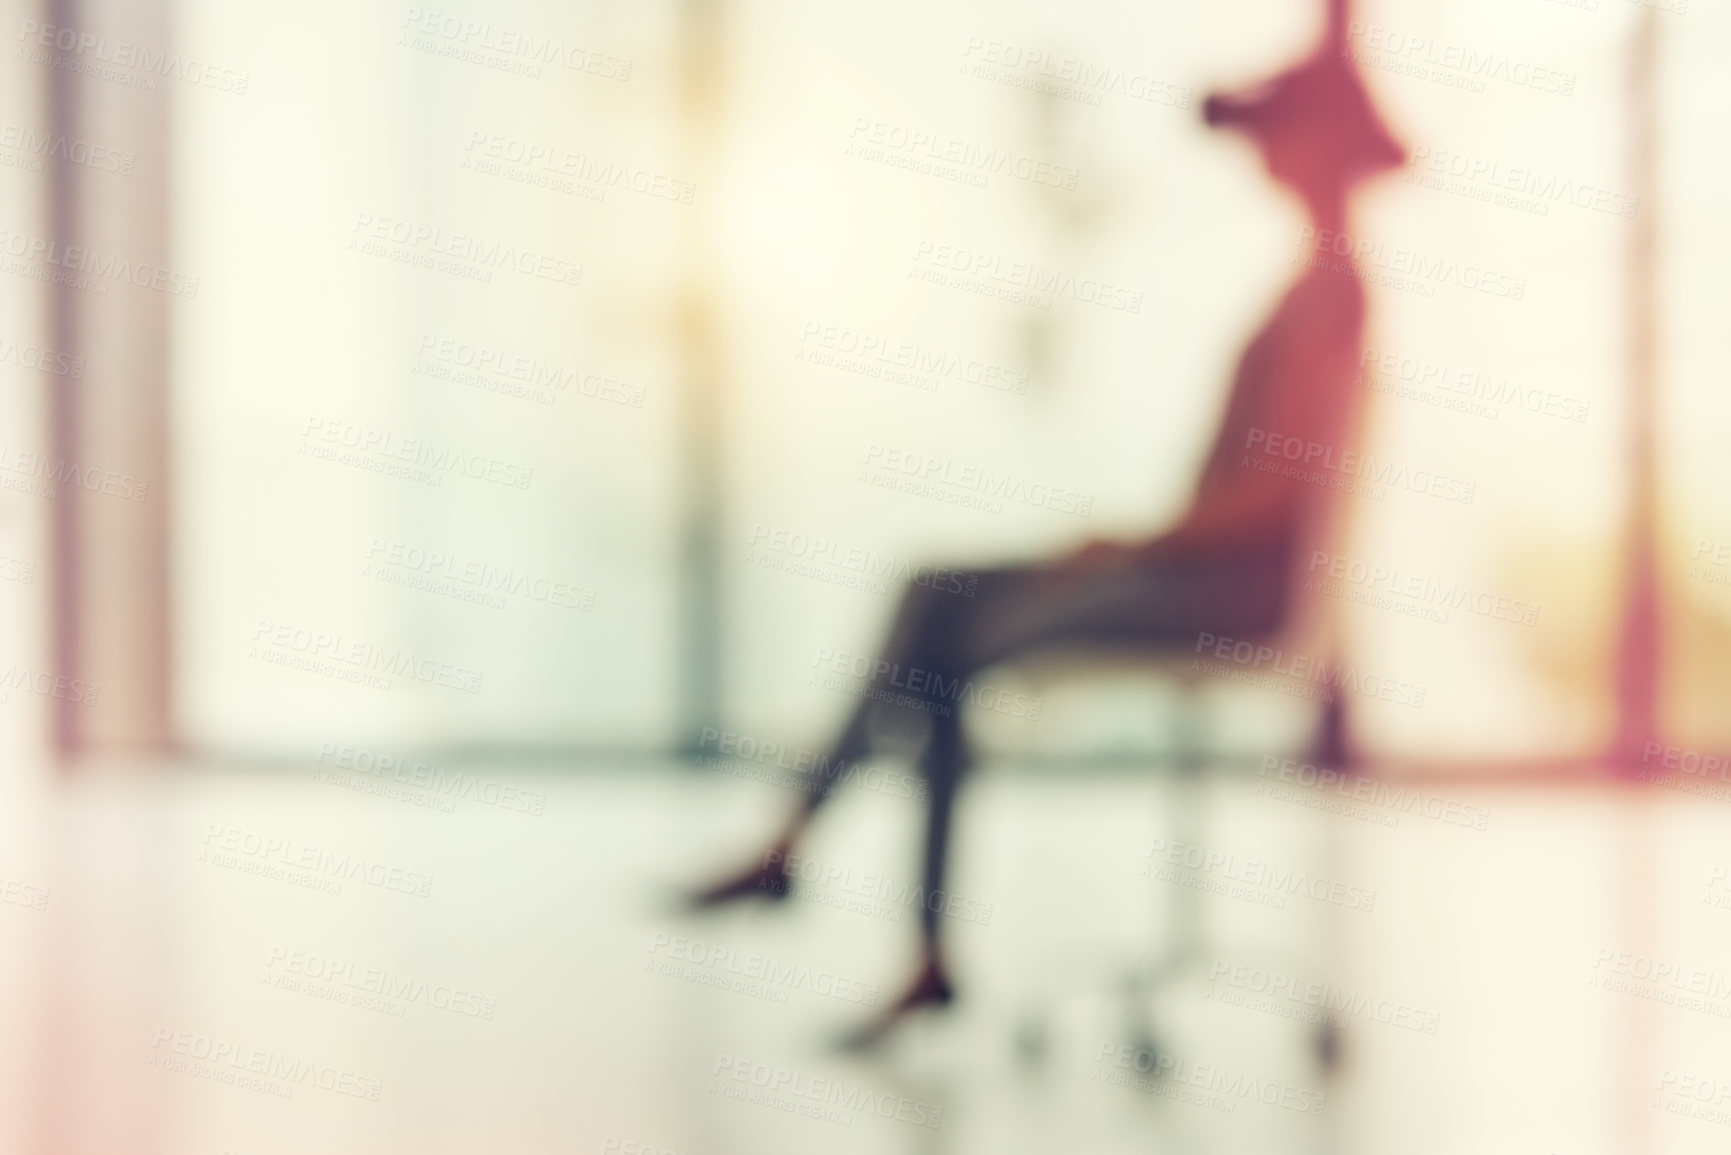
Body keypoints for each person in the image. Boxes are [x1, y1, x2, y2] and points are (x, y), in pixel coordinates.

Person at [691, 0, 1405, 1048]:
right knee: (932, 590)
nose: (1259, 157)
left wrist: (1130, 543)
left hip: (1224, 593)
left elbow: (1272, 499)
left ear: (1317, 147)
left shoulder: (1333, 297)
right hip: (1195, 568)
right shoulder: (1316, 286)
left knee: (945, 635)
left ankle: (841, 882)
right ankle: (818, 863)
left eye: (1276, 134)